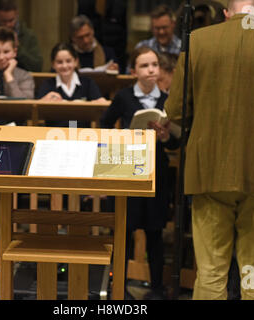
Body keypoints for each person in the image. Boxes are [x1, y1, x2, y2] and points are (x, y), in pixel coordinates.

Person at [165, 0, 254, 300]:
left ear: (228, 13)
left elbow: (176, 111)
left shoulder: (197, 41)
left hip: (209, 169)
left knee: (211, 272)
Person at [101, 46, 179, 300]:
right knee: (125, 231)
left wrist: (166, 137)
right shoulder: (124, 97)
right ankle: (119, 288)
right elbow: (104, 124)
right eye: (145, 66)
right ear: (134, 71)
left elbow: (177, 141)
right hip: (128, 170)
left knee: (155, 232)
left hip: (156, 172)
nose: (151, 70)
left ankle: (157, 288)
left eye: (155, 64)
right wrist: (121, 138)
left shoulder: (168, 99)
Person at [37, 42, 106, 128]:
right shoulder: (48, 84)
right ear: (53, 64)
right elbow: (36, 109)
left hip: (83, 134)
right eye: (59, 62)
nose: (64, 66)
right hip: (55, 135)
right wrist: (46, 99)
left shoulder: (88, 83)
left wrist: (84, 104)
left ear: (76, 62)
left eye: (68, 61)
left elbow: (102, 104)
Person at [0, 0, 43, 72]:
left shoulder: (28, 36)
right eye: (3, 21)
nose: (8, 24)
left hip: (21, 79)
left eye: (11, 20)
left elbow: (37, 67)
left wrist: (17, 47)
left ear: (17, 15)